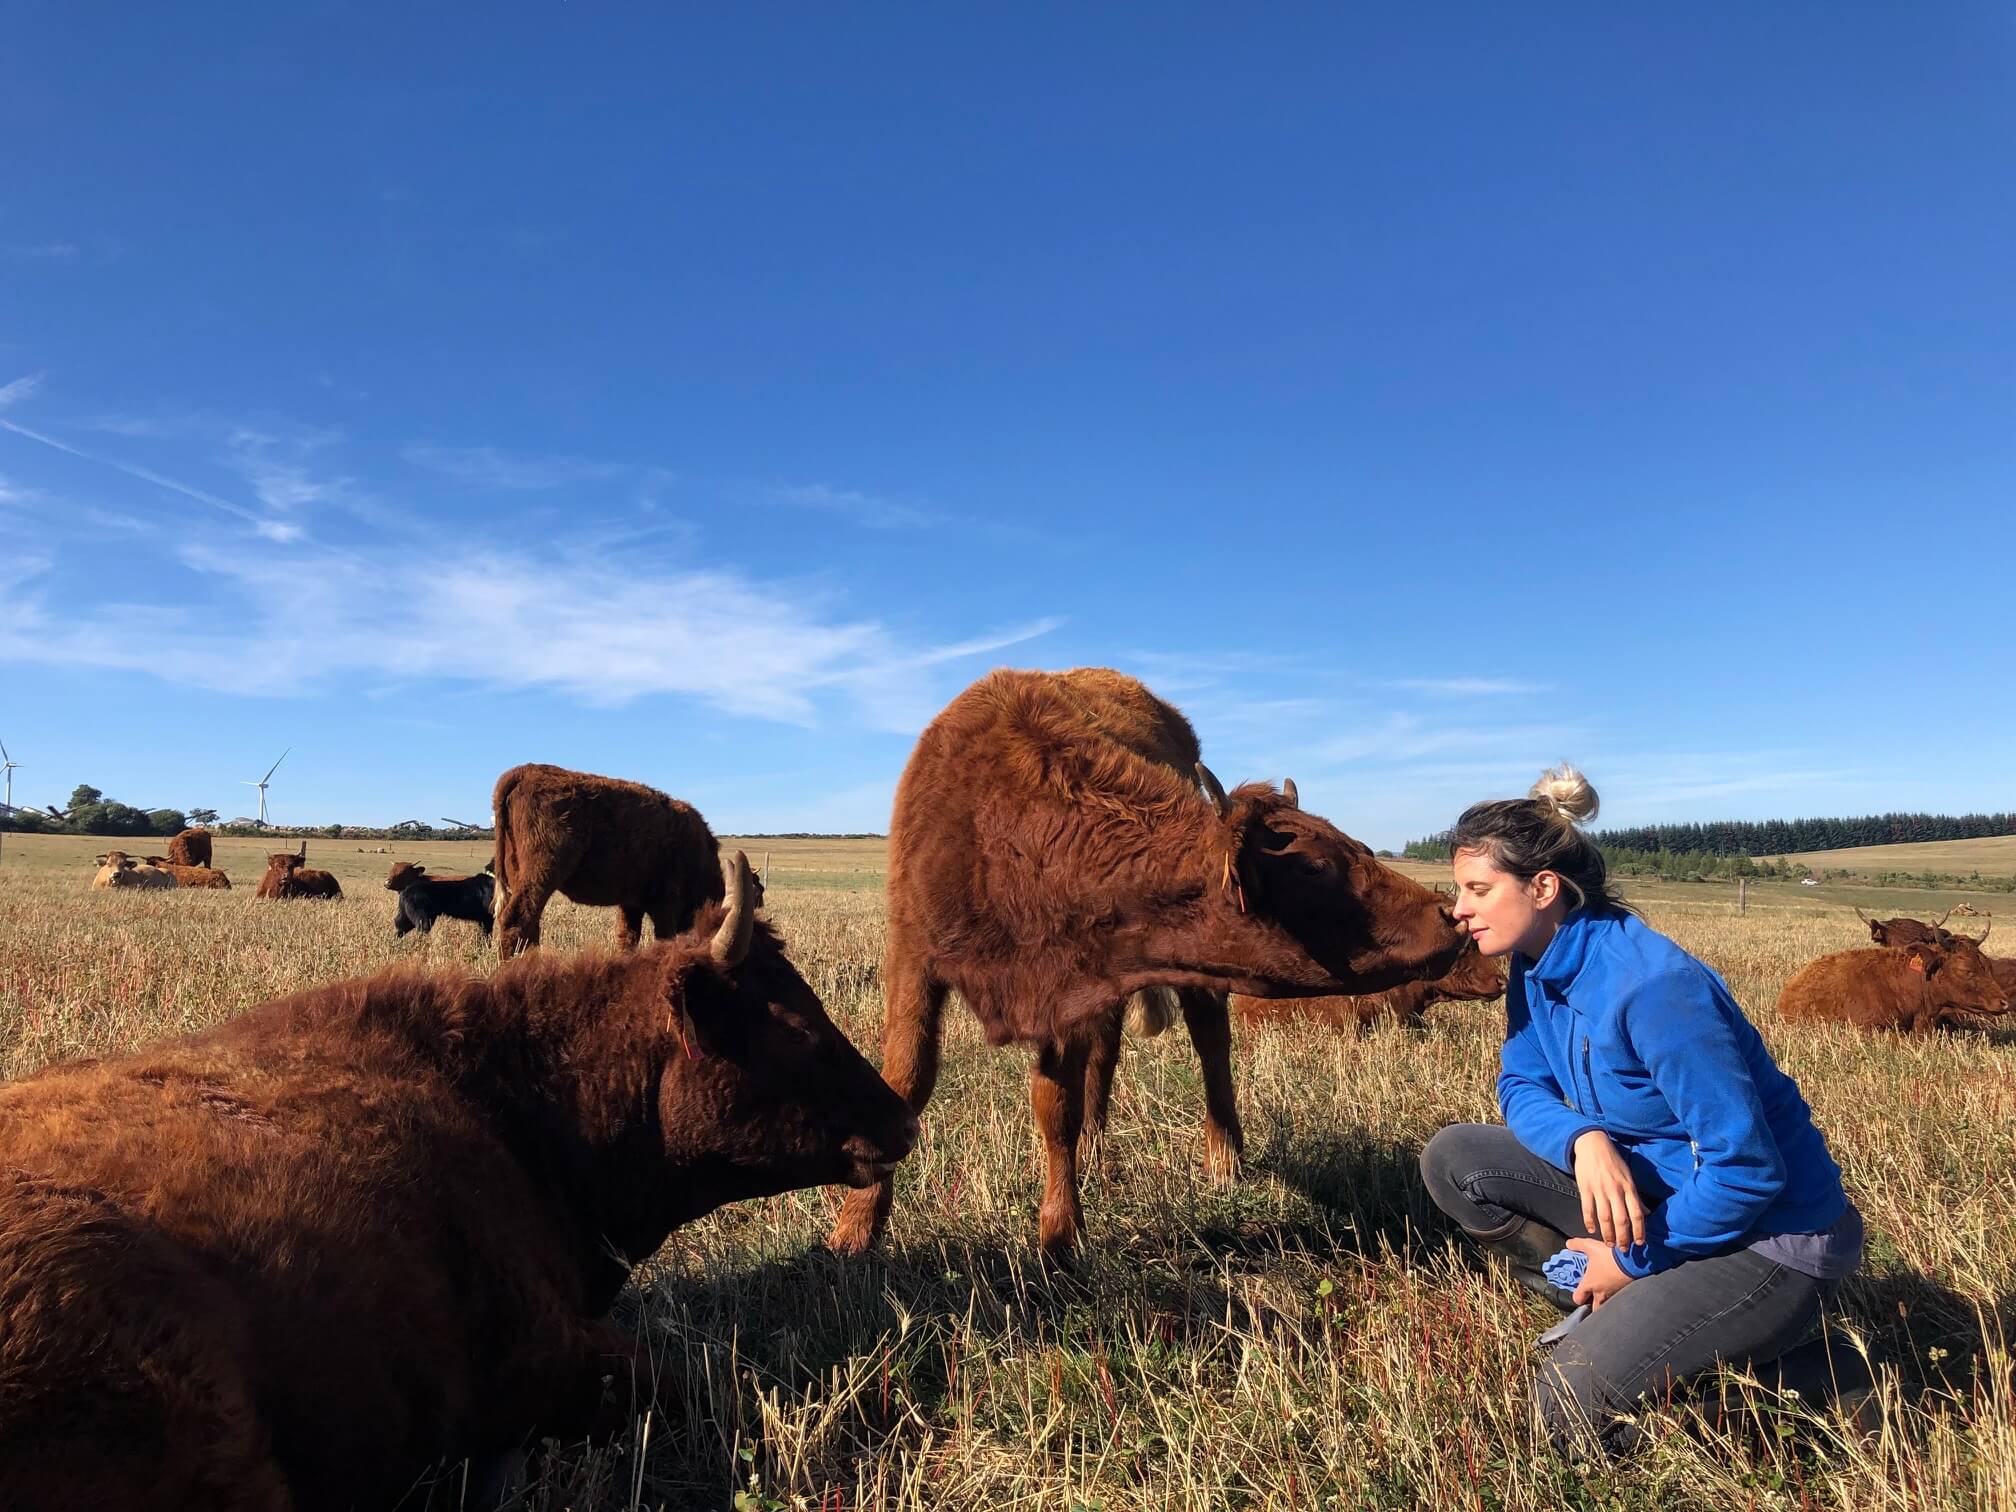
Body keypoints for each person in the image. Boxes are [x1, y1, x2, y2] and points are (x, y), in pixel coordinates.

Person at [1418, 765, 1864, 1453]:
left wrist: (1632, 1261)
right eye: (1459, 889)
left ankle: (1825, 1379)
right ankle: (1597, 1298)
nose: (1459, 908)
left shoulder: (1654, 990)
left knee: (1565, 1411)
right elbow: (1520, 1086)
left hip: (1768, 1240)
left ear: (1542, 889)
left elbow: (1746, 1173)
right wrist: (1583, 1140)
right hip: (1657, 1199)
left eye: (1477, 889)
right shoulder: (1535, 964)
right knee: (1455, 1158)